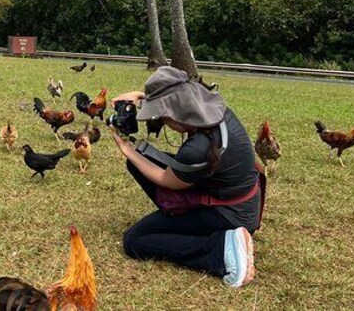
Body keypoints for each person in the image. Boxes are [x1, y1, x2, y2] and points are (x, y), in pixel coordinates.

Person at [109, 66, 263, 288]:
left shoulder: (197, 150)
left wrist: (128, 151)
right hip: (240, 199)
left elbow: (165, 179)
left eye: (163, 116)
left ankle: (220, 249)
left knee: (134, 240)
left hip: (230, 214)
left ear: (174, 112)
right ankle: (183, 222)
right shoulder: (214, 107)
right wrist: (141, 96)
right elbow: (178, 98)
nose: (162, 121)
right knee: (140, 161)